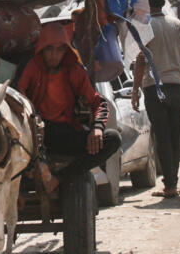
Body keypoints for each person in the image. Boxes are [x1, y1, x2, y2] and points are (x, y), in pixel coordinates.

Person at [17, 22, 121, 188]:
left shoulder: (74, 70)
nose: (54, 55)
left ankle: (59, 179)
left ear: (66, 50)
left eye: (60, 49)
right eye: (50, 49)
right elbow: (18, 96)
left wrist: (97, 128)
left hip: (66, 133)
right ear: (42, 49)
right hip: (36, 136)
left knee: (113, 139)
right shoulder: (32, 67)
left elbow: (98, 102)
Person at [132, 0, 180, 198]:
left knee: (162, 138)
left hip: (153, 88)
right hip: (175, 86)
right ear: (164, 2)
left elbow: (140, 61)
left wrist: (135, 90)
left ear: (148, 4)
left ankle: (170, 184)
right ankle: (171, 183)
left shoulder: (145, 26)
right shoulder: (177, 25)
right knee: (174, 137)